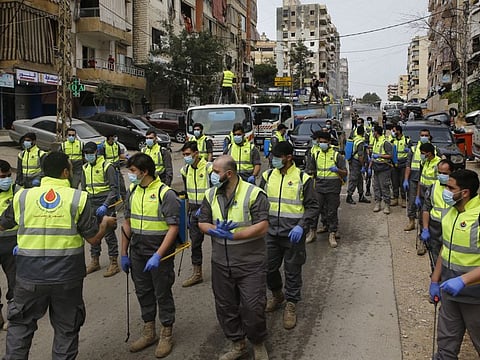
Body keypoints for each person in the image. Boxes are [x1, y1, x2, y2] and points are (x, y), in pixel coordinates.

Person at [0, 151, 116, 360]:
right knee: (66, 328)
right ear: (65, 172)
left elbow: (3, 223)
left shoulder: (23, 196)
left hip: (28, 276)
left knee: (20, 328)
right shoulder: (77, 198)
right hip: (67, 277)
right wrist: (106, 225)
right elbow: (93, 239)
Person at [198, 155, 270, 360]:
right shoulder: (210, 194)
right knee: (225, 306)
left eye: (216, 172)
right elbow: (202, 221)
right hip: (221, 263)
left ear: (228, 174)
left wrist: (234, 235)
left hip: (251, 262)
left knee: (253, 306)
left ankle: (257, 342)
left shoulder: (254, 194)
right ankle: (237, 343)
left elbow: (263, 225)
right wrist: (214, 230)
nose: (212, 175)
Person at [120, 153, 180, 358]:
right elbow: (126, 223)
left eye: (133, 171)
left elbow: (173, 228)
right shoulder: (133, 190)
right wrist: (123, 253)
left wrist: (158, 255)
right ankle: (149, 331)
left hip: (159, 252)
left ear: (145, 172)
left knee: (162, 292)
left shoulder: (166, 193)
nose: (130, 175)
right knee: (143, 291)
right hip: (137, 250)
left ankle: (166, 333)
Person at [260, 142, 318, 330]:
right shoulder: (267, 176)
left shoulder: (303, 178)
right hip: (271, 233)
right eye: (273, 157)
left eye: (277, 157)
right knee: (268, 268)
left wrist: (302, 226)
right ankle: (277, 295)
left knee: (292, 270)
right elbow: (259, 202)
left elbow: (313, 206)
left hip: (293, 235)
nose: (273, 160)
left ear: (288, 157)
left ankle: (291, 304)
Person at [429, 169, 480, 359]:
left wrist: (463, 280)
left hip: (475, 298)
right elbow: (446, 247)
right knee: (445, 344)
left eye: (451, 187)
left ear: (465, 192)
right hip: (449, 293)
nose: (446, 191)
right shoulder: (451, 212)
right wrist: (435, 279)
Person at [81, 142, 120, 277]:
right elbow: (84, 188)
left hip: (105, 203)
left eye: (91, 153)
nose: (88, 156)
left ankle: (114, 262)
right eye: (86, 154)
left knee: (109, 233)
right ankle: (94, 260)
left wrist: (106, 204)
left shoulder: (107, 166)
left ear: (96, 153)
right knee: (93, 232)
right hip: (91, 203)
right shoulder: (85, 167)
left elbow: (114, 188)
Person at [306, 131, 347, 247]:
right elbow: (311, 170)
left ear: (329, 142)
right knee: (315, 209)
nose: (321, 144)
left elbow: (344, 172)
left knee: (332, 210)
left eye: (324, 142)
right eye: (320, 142)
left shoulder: (336, 155)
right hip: (319, 185)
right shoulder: (316, 154)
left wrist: (337, 170)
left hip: (333, 186)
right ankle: (312, 232)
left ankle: (332, 233)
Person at [180, 141, 212, 287]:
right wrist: (187, 212)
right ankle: (197, 273)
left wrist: (205, 207)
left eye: (188, 154)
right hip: (193, 210)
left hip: (210, 211)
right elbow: (187, 193)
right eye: (184, 154)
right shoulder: (185, 170)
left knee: (218, 242)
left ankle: (224, 272)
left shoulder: (209, 168)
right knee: (195, 244)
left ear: (196, 153)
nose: (186, 157)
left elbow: (216, 192)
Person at [421, 159, 454, 264]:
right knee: (435, 255)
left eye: (445, 173)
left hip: (451, 227)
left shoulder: (458, 189)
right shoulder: (433, 187)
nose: (441, 175)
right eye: (439, 172)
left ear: (452, 173)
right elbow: (426, 209)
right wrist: (425, 228)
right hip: (435, 226)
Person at [404, 129, 435, 232]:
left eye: (426, 135)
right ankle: (411, 221)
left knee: (427, 204)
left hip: (428, 182)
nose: (424, 137)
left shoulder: (434, 149)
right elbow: (408, 165)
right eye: (422, 135)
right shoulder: (413, 149)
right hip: (414, 178)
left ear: (430, 136)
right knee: (412, 201)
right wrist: (406, 179)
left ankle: (425, 225)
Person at [415, 142, 441, 256]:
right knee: (422, 218)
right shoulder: (425, 162)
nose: (421, 155)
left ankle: (434, 243)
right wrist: (417, 196)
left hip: (433, 194)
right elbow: (421, 180)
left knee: (432, 219)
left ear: (429, 153)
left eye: (423, 153)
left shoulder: (438, 164)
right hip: (423, 192)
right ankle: (423, 241)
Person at [0, 160, 17, 329]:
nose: (5, 180)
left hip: (13, 242)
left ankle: (13, 314)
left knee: (14, 281)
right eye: (1, 177)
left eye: (7, 176)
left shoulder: (17, 192)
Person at [370, 125, 393, 214]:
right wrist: (369, 166)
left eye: (373, 131)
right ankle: (377, 203)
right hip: (376, 167)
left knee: (384, 186)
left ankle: (387, 204)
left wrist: (379, 156)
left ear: (376, 132)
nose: (373, 133)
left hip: (384, 167)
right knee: (376, 186)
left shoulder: (385, 142)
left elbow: (390, 155)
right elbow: (373, 155)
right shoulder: (376, 141)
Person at [346, 126, 370, 204]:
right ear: (363, 132)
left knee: (360, 179)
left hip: (354, 161)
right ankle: (349, 196)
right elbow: (360, 156)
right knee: (354, 179)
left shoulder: (356, 138)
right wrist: (363, 166)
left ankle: (361, 195)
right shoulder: (360, 142)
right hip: (356, 162)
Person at [99, 133, 127, 199]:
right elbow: (101, 158)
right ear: (110, 138)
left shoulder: (116, 145)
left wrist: (127, 157)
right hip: (109, 168)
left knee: (121, 183)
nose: (115, 138)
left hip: (117, 167)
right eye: (114, 137)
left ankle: (124, 198)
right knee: (112, 184)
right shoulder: (103, 146)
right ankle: (113, 198)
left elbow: (120, 155)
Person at [390, 125, 410, 207]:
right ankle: (395, 198)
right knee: (394, 182)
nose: (393, 133)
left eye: (394, 131)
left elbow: (411, 151)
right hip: (394, 164)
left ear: (399, 131)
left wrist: (409, 150)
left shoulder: (407, 140)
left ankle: (404, 199)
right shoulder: (392, 140)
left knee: (403, 183)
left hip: (403, 164)